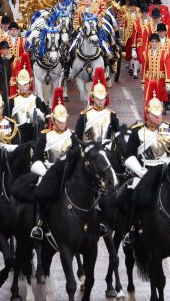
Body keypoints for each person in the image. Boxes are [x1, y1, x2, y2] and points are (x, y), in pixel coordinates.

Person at [29, 87, 78, 240]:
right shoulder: (45, 137)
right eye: (59, 121)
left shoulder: (73, 136)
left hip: (68, 173)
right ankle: (39, 224)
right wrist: (45, 173)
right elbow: (36, 157)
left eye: (64, 121)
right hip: (48, 172)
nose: (62, 124)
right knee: (41, 193)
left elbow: (78, 156)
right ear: (53, 121)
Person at [76, 67, 119, 142]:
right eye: (98, 98)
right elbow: (78, 138)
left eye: (102, 98)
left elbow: (118, 137)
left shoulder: (112, 115)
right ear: (92, 98)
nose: (100, 101)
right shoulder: (84, 115)